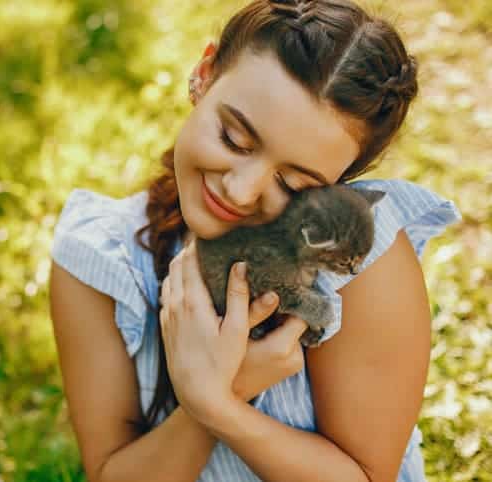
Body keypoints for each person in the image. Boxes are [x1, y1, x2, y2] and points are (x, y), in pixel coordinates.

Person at [49, 1, 461, 481]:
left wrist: (219, 403)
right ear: (204, 73)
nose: (241, 191)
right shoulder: (101, 261)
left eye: (295, 184)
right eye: (234, 139)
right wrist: (213, 398)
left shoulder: (358, 263)